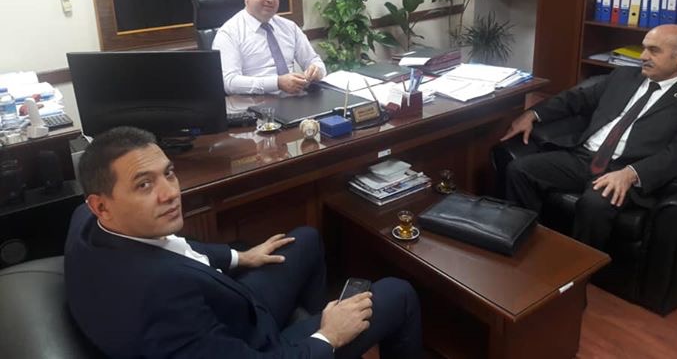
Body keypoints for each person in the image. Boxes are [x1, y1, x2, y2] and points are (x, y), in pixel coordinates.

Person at [65, 126, 422, 358]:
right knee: (398, 292)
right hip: (254, 347)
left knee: (305, 239)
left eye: (168, 174)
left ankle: (313, 322)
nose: (170, 193)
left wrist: (240, 257)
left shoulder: (88, 222)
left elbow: (175, 246)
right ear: (102, 205)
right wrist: (328, 336)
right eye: (144, 185)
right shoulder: (161, 299)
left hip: (231, 311)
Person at [501, 24, 677, 251]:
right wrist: (532, 114)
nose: (643, 57)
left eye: (654, 51)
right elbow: (576, 99)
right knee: (520, 169)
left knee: (595, 204)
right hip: (583, 157)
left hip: (626, 170)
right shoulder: (623, 76)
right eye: (644, 48)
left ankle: (578, 266)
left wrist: (631, 173)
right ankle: (525, 246)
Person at [213, 0, 327, 94]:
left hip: (295, 99)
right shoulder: (229, 33)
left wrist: (316, 70)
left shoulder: (289, 27)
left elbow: (314, 61)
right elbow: (229, 82)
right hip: (255, 103)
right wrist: (277, 83)